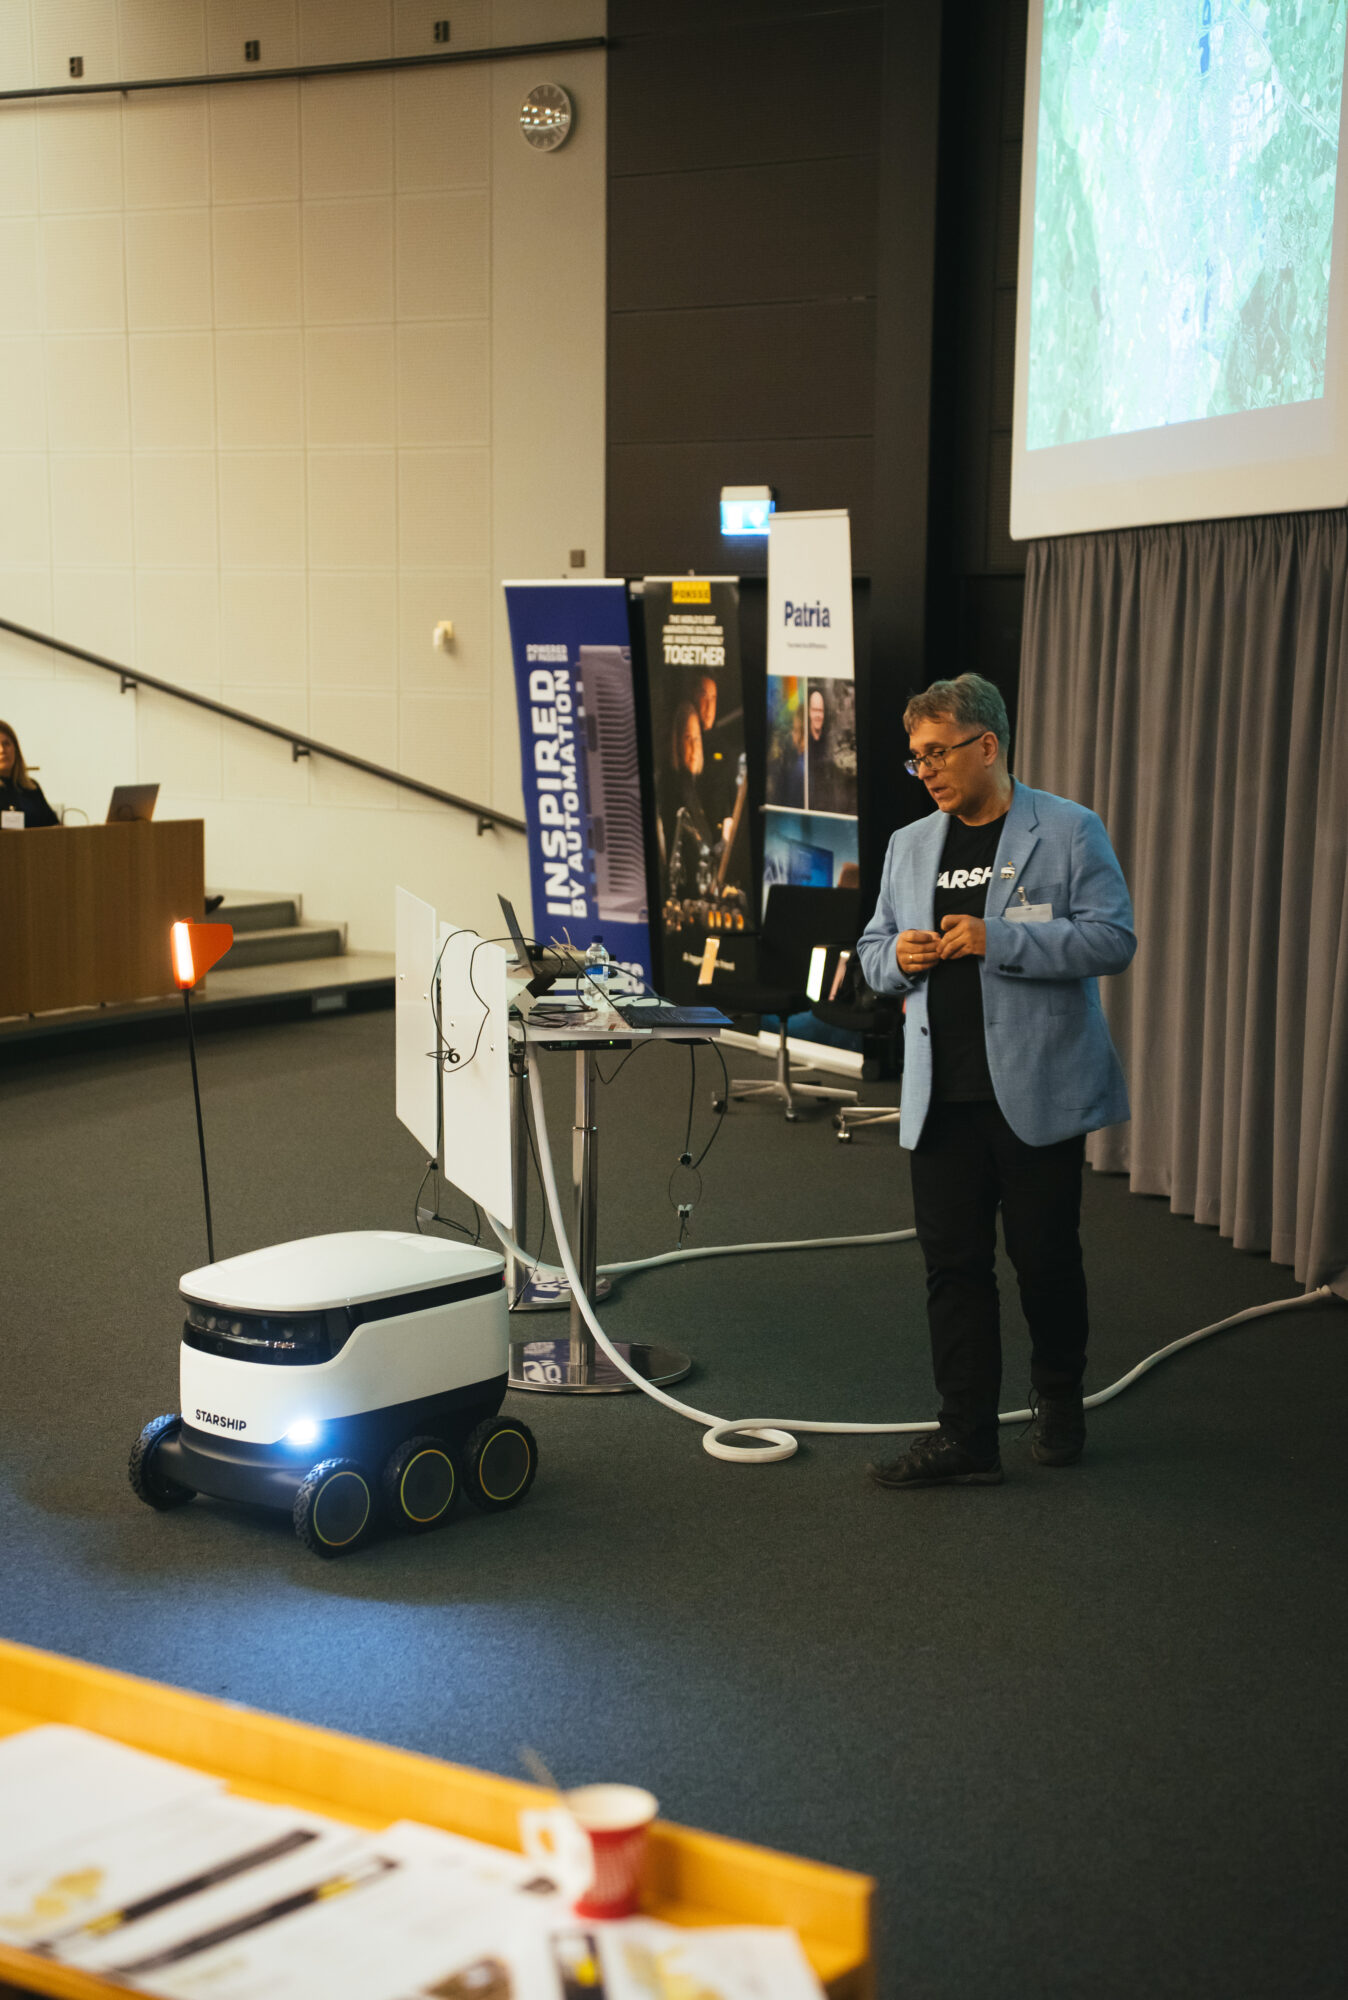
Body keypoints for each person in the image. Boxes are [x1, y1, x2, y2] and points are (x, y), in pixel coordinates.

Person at [856, 673, 1135, 1488]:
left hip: (1035, 1094)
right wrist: (897, 958)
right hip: (940, 1098)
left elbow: (1112, 940)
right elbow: (872, 949)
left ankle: (1060, 1395)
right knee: (953, 1269)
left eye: (937, 754)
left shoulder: (1069, 830)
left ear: (987, 746)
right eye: (916, 758)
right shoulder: (910, 844)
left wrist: (999, 939)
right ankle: (967, 1437)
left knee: (1044, 1261)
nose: (926, 771)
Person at [0, 720, 59, 827]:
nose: (2, 750)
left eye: (6, 744)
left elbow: (54, 826)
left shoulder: (31, 787)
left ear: (16, 749)